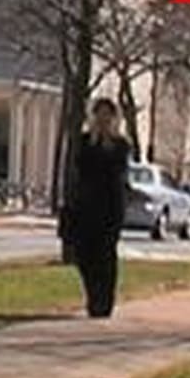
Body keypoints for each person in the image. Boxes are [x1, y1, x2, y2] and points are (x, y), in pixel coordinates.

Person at [69, 98, 130, 318]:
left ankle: (104, 302)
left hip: (110, 208)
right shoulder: (84, 141)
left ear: (114, 118)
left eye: (107, 115)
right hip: (86, 208)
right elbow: (79, 169)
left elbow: (118, 174)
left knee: (105, 256)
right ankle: (92, 295)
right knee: (85, 255)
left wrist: (106, 144)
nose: (103, 119)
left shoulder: (121, 145)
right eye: (99, 114)